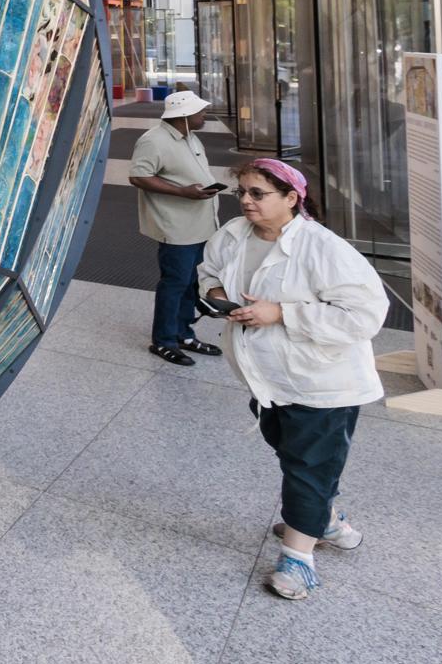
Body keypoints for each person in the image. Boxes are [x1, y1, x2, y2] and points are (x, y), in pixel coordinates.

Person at [197, 158, 387, 602]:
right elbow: (209, 273)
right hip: (265, 379)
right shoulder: (231, 236)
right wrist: (217, 296)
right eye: (241, 191)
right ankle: (323, 519)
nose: (245, 200)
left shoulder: (325, 249)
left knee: (307, 464)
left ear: (291, 198)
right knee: (296, 456)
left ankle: (298, 560)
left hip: (322, 383)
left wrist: (281, 312)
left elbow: (365, 315)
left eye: (258, 193)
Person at [129, 90, 226, 364]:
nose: (204, 115)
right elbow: (138, 176)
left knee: (192, 282)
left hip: (201, 224)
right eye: (200, 112)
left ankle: (184, 333)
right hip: (177, 226)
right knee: (175, 283)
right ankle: (164, 340)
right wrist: (183, 192)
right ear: (184, 116)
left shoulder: (189, 136)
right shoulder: (153, 141)